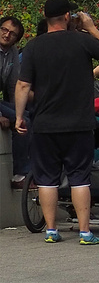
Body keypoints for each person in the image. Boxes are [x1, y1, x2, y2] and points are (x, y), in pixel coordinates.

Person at [13, 0, 99, 245]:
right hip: (79, 124)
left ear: (46, 18)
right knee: (80, 178)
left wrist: (18, 116)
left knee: (46, 179)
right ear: (68, 17)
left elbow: (23, 84)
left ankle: (51, 230)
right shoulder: (81, 41)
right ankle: (84, 232)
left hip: (45, 124)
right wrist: (91, 27)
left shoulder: (33, 46)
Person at [1, 15, 30, 190]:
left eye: (12, 33)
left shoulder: (12, 52)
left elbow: (13, 88)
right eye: (4, 29)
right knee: (22, 120)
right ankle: (20, 173)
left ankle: (29, 171)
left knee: (26, 117)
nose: (6, 35)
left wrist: (16, 111)